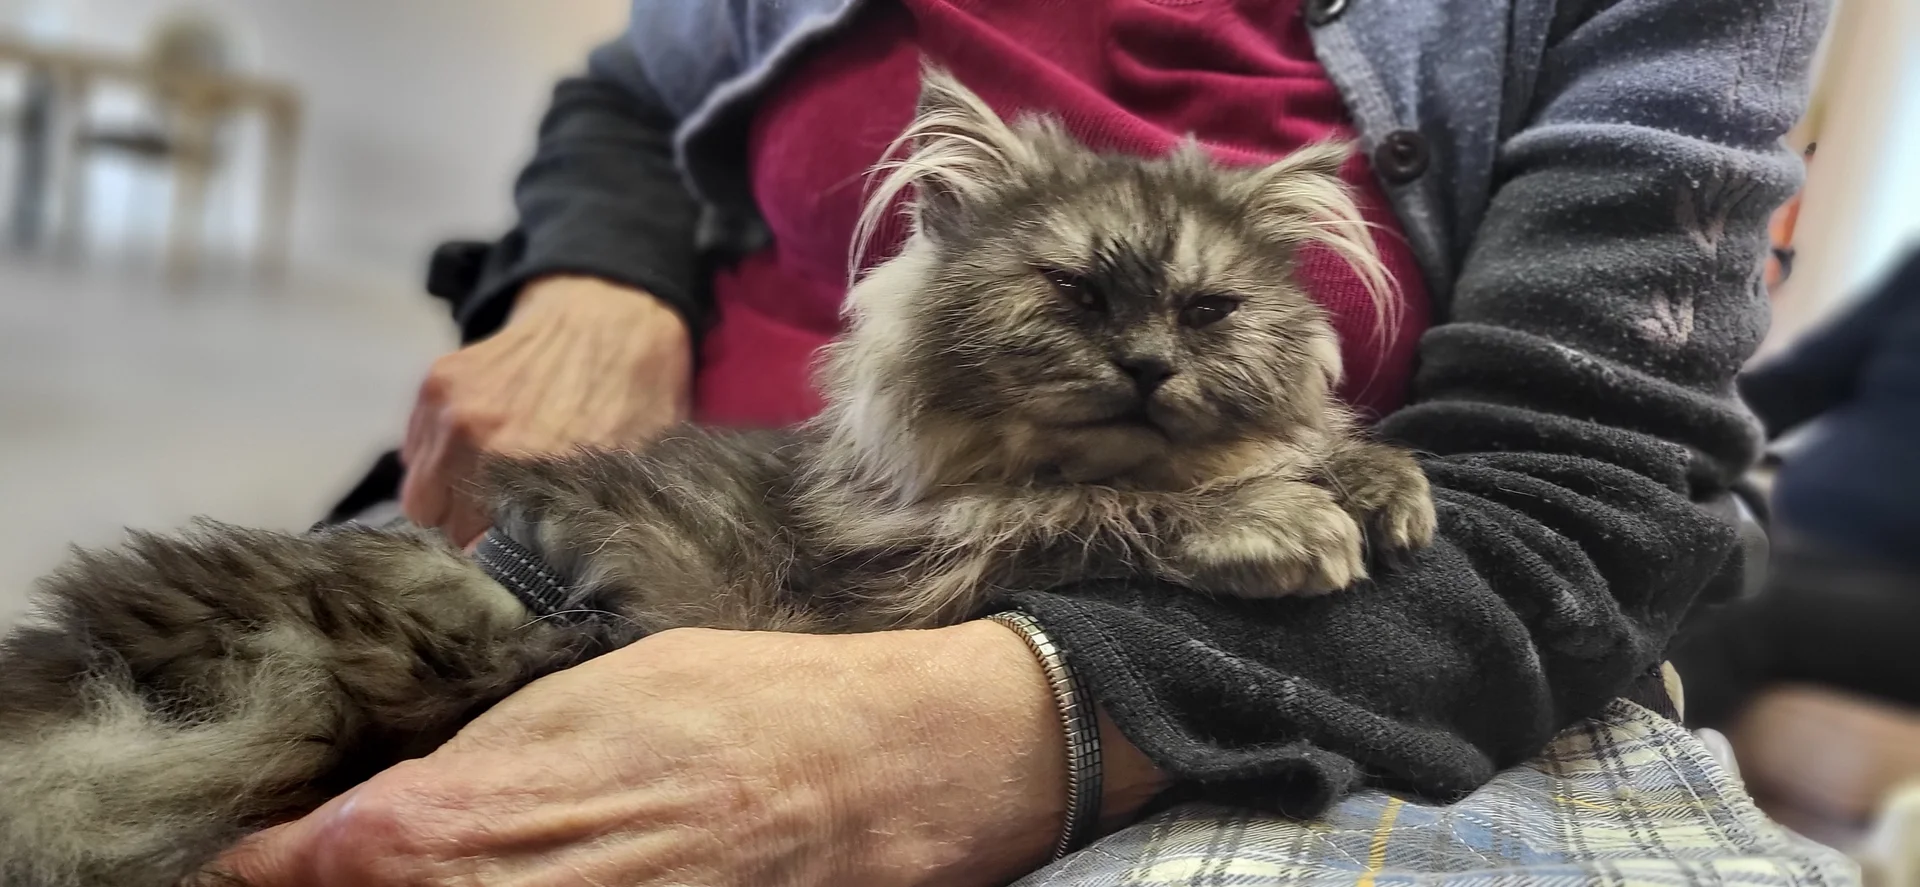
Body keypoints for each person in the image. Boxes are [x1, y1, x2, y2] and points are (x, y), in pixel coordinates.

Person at [235, 0, 1823, 883]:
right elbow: (631, 101)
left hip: (1308, 649)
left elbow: (1585, 490)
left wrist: (981, 729)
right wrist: (596, 276)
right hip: (666, 517)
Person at [1675, 248, 1920, 728]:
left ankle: (1632, 776)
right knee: (1659, 559)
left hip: (1902, 585)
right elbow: (1795, 385)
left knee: (1729, 609)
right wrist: (1657, 423)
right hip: (1805, 547)